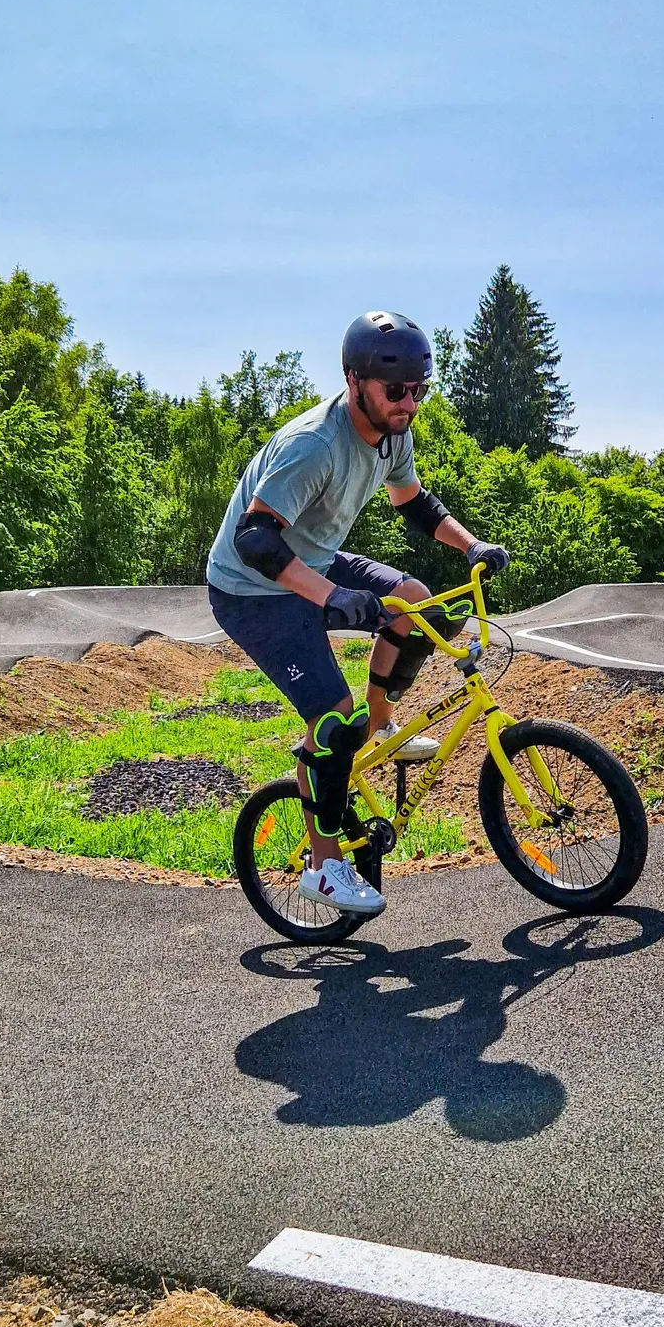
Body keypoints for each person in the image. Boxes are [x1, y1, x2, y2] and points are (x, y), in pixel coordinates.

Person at [205, 311, 509, 919]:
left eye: (420, 389)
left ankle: (384, 726)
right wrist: (330, 598)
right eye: (396, 391)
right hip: (251, 589)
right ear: (354, 381)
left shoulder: (395, 433)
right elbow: (256, 542)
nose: (409, 403)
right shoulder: (313, 445)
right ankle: (322, 869)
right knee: (332, 718)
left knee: (416, 603)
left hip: (313, 556)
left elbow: (414, 502)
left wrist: (469, 544)